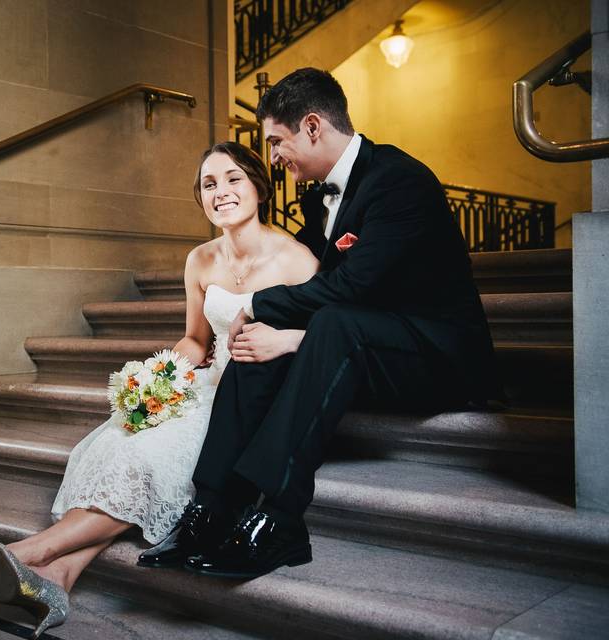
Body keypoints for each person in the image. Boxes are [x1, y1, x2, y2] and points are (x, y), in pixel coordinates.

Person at [139, 67, 501, 579]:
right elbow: (313, 283)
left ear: (312, 127)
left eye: (276, 142)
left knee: (312, 322)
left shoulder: (400, 180)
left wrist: (262, 306)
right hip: (360, 347)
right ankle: (213, 507)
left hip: (435, 354)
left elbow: (353, 289)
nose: (273, 157)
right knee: (254, 341)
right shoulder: (318, 196)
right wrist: (265, 327)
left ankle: (280, 520)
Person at [0, 141, 318, 637]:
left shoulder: (298, 261)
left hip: (251, 397)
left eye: (233, 179)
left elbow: (312, 348)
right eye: (209, 185)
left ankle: (27, 552)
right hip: (204, 383)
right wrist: (158, 379)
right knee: (121, 443)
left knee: (147, 463)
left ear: (259, 185)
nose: (222, 192)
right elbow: (196, 341)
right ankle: (57, 579)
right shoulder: (201, 260)